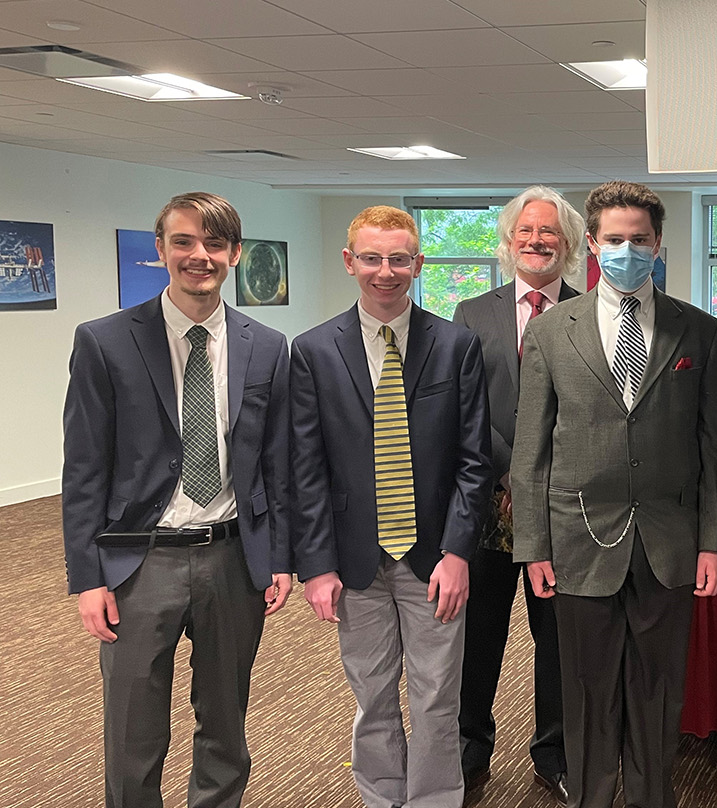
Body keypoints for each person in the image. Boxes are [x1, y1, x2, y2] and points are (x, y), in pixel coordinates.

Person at [61, 191, 292, 808]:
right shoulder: (105, 341)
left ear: (236, 254)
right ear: (160, 249)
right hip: (139, 563)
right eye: (184, 241)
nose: (200, 256)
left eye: (215, 244)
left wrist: (280, 556)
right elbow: (84, 470)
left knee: (225, 722)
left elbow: (278, 464)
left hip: (232, 559)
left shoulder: (267, 346)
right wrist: (88, 578)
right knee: (134, 731)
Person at [511, 180, 717, 808]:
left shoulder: (700, 331)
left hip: (670, 541)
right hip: (578, 540)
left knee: (659, 693)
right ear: (592, 243)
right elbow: (531, 451)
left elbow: (713, 448)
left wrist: (713, 545)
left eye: (639, 240)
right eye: (614, 240)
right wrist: (533, 546)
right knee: (585, 694)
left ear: (658, 244)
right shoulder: (554, 330)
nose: (627, 250)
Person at [290, 205, 493, 808]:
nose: (386, 271)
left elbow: (474, 461)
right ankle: (381, 796)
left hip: (434, 558)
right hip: (354, 558)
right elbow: (306, 467)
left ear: (418, 263)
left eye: (399, 258)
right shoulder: (313, 350)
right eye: (372, 258)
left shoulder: (456, 345)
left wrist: (459, 552)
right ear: (350, 261)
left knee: (436, 696)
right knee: (372, 695)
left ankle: (434, 799)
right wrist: (317, 564)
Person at [452, 186, 583, 804]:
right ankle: (469, 747)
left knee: (556, 641)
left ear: (570, 244)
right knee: (477, 637)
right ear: (508, 242)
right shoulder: (471, 314)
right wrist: (509, 475)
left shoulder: (595, 313)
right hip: (485, 505)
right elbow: (464, 408)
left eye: (549, 232)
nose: (537, 240)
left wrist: (536, 479)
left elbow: (594, 418)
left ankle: (553, 753)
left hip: (560, 511)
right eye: (526, 231)